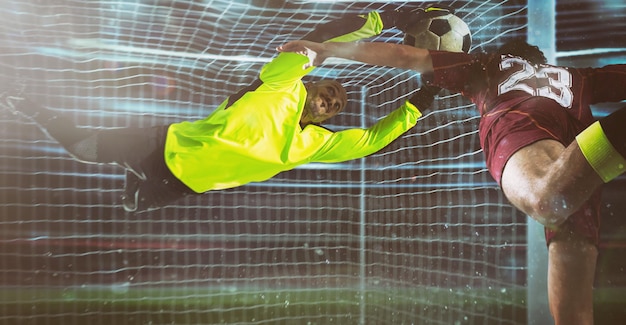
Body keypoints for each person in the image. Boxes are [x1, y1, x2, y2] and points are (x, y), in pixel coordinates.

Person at [277, 37, 626, 324]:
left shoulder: (486, 65)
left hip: (523, 132)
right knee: (572, 314)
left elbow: (404, 55)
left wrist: (329, 49)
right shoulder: (578, 76)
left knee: (546, 200)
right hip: (580, 163)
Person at [0, 8, 438, 213]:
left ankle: (132, 182)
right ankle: (23, 100)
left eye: (335, 106)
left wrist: (424, 98)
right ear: (310, 87)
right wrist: (384, 18)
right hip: (163, 144)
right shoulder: (281, 86)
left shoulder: (312, 145)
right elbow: (316, 43)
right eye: (326, 92)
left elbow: (373, 139)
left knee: (131, 206)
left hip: (182, 186)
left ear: (326, 118)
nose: (330, 101)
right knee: (82, 149)